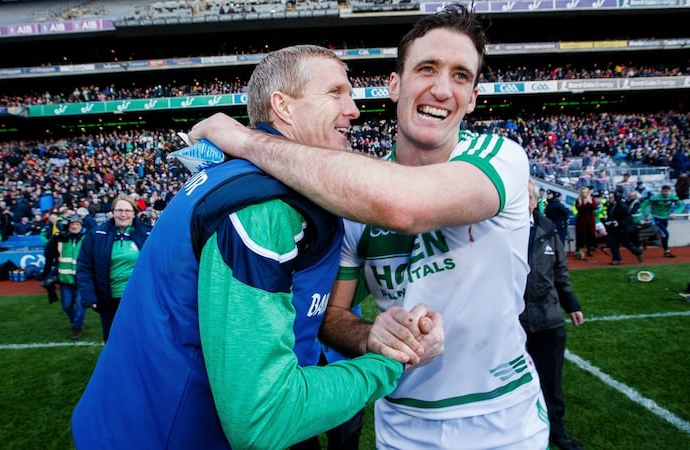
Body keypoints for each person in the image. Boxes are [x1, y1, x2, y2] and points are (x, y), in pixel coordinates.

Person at [190, 5, 549, 448]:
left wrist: (246, 141)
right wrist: (368, 334)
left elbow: (406, 205)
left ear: (473, 98)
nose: (441, 89)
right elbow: (332, 315)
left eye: (461, 76)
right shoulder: (352, 197)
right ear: (395, 85)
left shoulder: (502, 156)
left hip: (502, 420)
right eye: (427, 68)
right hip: (401, 425)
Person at [72, 45, 442, 450]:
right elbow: (263, 419)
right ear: (282, 106)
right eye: (335, 93)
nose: (353, 109)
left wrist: (369, 335)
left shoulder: (247, 179)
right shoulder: (264, 207)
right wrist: (388, 364)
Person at [521, 181, 584, 450]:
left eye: (527, 197)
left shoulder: (549, 231)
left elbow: (561, 274)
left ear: (535, 201)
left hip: (548, 318)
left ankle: (557, 432)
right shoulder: (499, 230)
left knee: (551, 381)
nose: (523, 201)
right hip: (512, 321)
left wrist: (572, 304)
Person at [76, 194, 152, 342]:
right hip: (110, 300)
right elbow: (84, 267)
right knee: (113, 340)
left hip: (141, 298)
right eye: (119, 210)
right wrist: (89, 296)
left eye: (128, 211)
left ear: (134, 213)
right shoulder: (96, 235)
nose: (123, 214)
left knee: (141, 340)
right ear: (112, 212)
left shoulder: (148, 233)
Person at [43, 214, 86, 339]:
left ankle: (77, 328)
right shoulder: (61, 238)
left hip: (82, 278)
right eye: (72, 224)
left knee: (80, 305)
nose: (74, 226)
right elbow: (49, 252)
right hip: (65, 278)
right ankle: (75, 321)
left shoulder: (87, 238)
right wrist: (54, 238)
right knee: (66, 306)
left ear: (81, 226)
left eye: (77, 224)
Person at [641, 184, 684, 258]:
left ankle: (646, 240)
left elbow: (681, 205)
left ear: (670, 191)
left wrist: (675, 213)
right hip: (656, 218)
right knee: (665, 234)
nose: (666, 193)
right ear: (662, 191)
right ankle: (667, 251)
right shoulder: (655, 198)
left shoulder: (673, 197)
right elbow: (644, 205)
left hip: (665, 218)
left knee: (661, 234)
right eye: (664, 191)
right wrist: (647, 214)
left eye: (668, 191)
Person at [602, 191, 644, 265]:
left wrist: (619, 222)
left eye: (611, 197)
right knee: (612, 243)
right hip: (612, 228)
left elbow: (627, 218)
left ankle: (638, 252)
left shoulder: (622, 206)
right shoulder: (610, 206)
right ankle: (616, 259)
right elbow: (610, 216)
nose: (609, 199)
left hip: (622, 229)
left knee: (627, 243)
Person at [573, 186, 597, 260]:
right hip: (581, 221)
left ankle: (589, 250)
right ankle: (578, 250)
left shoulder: (592, 199)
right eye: (583, 192)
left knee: (590, 236)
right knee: (580, 236)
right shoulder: (578, 200)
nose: (584, 194)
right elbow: (579, 208)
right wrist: (586, 205)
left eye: (586, 192)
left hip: (590, 221)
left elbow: (594, 207)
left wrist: (588, 203)